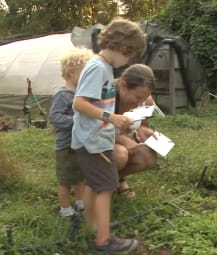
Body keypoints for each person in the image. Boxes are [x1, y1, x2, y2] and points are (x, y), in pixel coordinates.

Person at [71, 18, 146, 253]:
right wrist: (111, 118)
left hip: (97, 139)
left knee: (96, 185)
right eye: (130, 56)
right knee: (107, 187)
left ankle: (93, 228)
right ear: (124, 49)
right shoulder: (98, 68)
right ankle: (103, 241)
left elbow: (98, 103)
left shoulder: (104, 68)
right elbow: (79, 104)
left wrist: (115, 124)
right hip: (93, 142)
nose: (128, 62)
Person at [49, 47, 93, 217]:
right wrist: (76, 121)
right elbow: (55, 117)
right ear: (72, 72)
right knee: (66, 180)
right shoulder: (63, 95)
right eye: (86, 73)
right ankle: (65, 209)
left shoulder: (83, 95)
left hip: (81, 144)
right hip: (66, 146)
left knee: (81, 176)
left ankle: (81, 204)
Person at [113, 64, 158, 198]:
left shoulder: (146, 100)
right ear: (123, 86)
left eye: (144, 99)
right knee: (120, 154)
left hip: (122, 144)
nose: (140, 103)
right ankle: (92, 184)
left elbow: (142, 124)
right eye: (138, 98)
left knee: (148, 156)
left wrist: (145, 131)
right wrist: (120, 139)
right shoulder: (106, 98)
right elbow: (91, 131)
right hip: (94, 146)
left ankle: (115, 180)